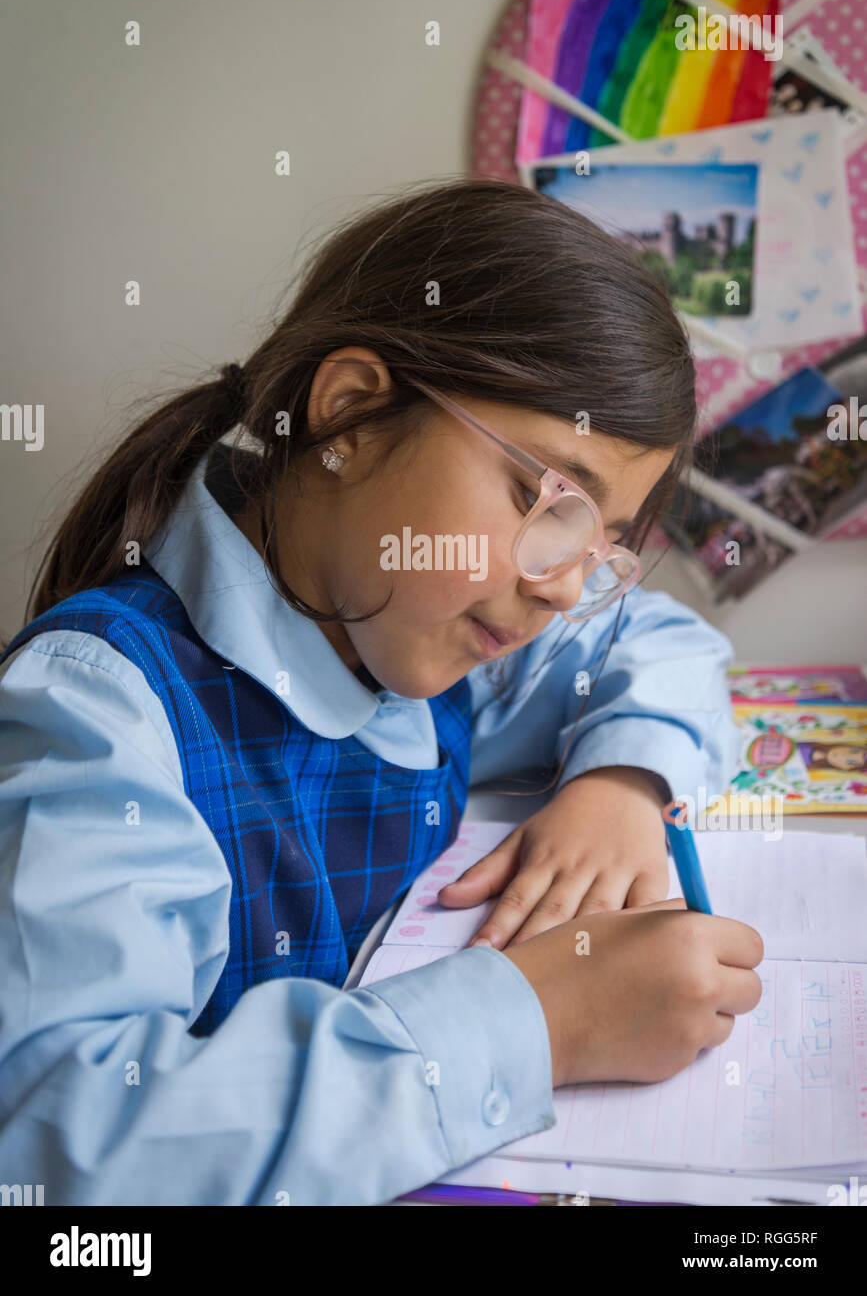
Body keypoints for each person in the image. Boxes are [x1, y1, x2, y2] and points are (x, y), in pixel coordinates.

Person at [0, 177, 763, 1206]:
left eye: (602, 542)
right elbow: (58, 1145)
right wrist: (537, 1021)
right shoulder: (99, 719)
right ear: (351, 410)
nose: (561, 584)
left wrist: (620, 784)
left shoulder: (419, 635)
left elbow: (664, 642)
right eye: (546, 497)